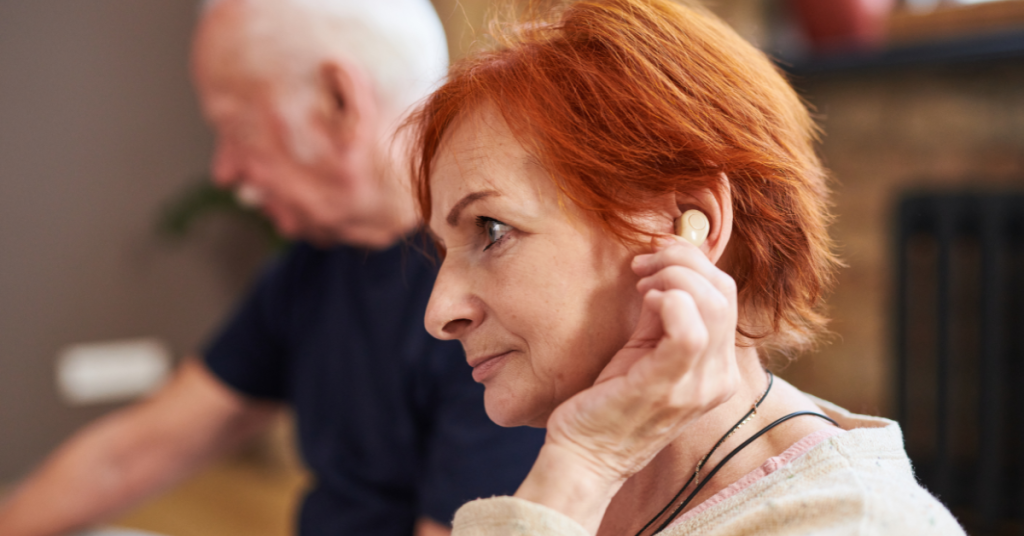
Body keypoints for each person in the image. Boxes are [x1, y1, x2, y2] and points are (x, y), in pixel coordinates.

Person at [405, 0, 966, 534]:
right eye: (443, 249)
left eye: (492, 229)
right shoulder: (575, 490)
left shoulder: (854, 527)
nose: (439, 312)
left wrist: (584, 464)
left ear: (689, 224)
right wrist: (580, 470)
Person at [0, 1, 545, 535]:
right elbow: (137, 450)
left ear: (339, 101)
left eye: (238, 129)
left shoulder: (491, 307)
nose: (224, 169)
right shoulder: (315, 264)